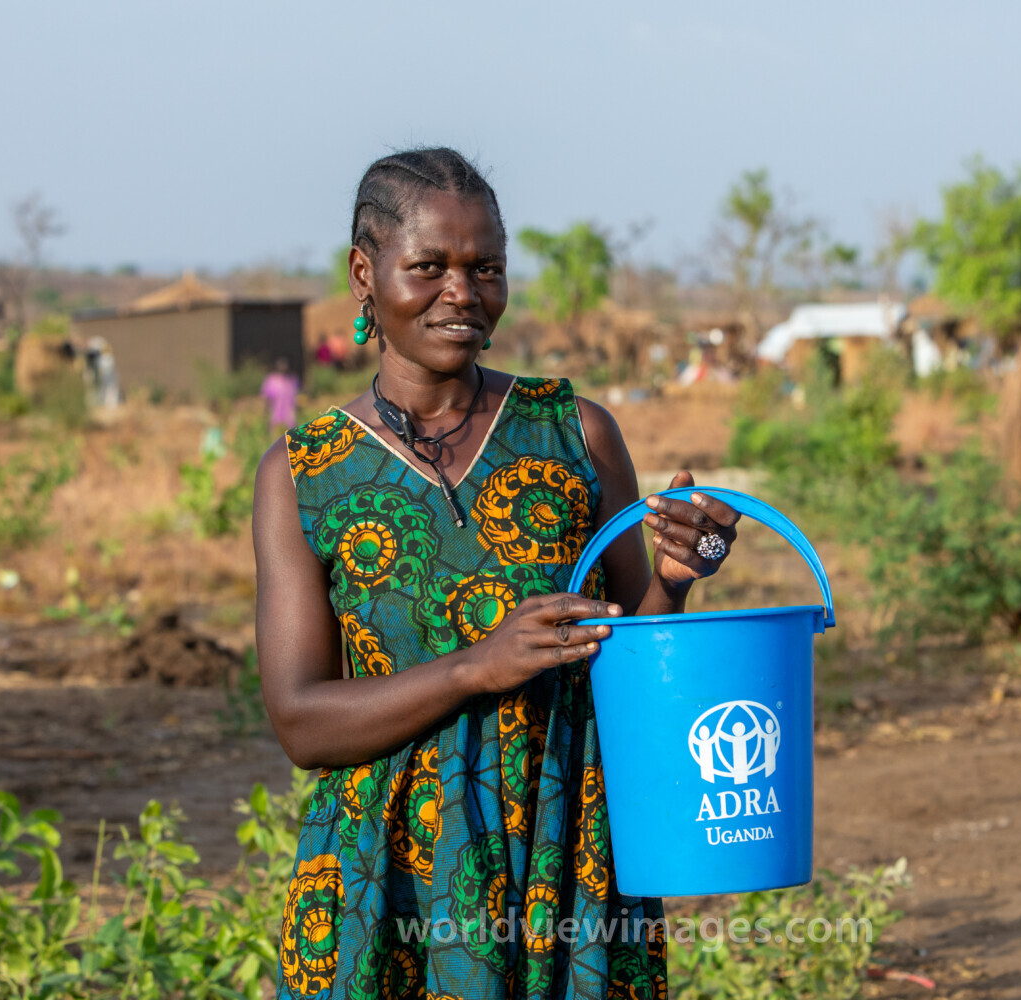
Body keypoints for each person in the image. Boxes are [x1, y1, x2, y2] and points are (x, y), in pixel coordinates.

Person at [252, 148, 741, 1000]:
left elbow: (631, 650)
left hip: (568, 845)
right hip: (392, 872)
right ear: (365, 274)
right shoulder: (305, 472)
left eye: (486, 268)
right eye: (428, 266)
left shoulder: (575, 433)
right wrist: (476, 667)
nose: (463, 293)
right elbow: (301, 722)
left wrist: (675, 577)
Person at [261, 356, 301, 430]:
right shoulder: (272, 379)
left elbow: (296, 395)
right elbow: (267, 397)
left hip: (289, 411)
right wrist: (266, 410)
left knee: (292, 431)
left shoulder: (292, 378)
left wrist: (298, 406)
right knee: (273, 429)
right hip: (275, 410)